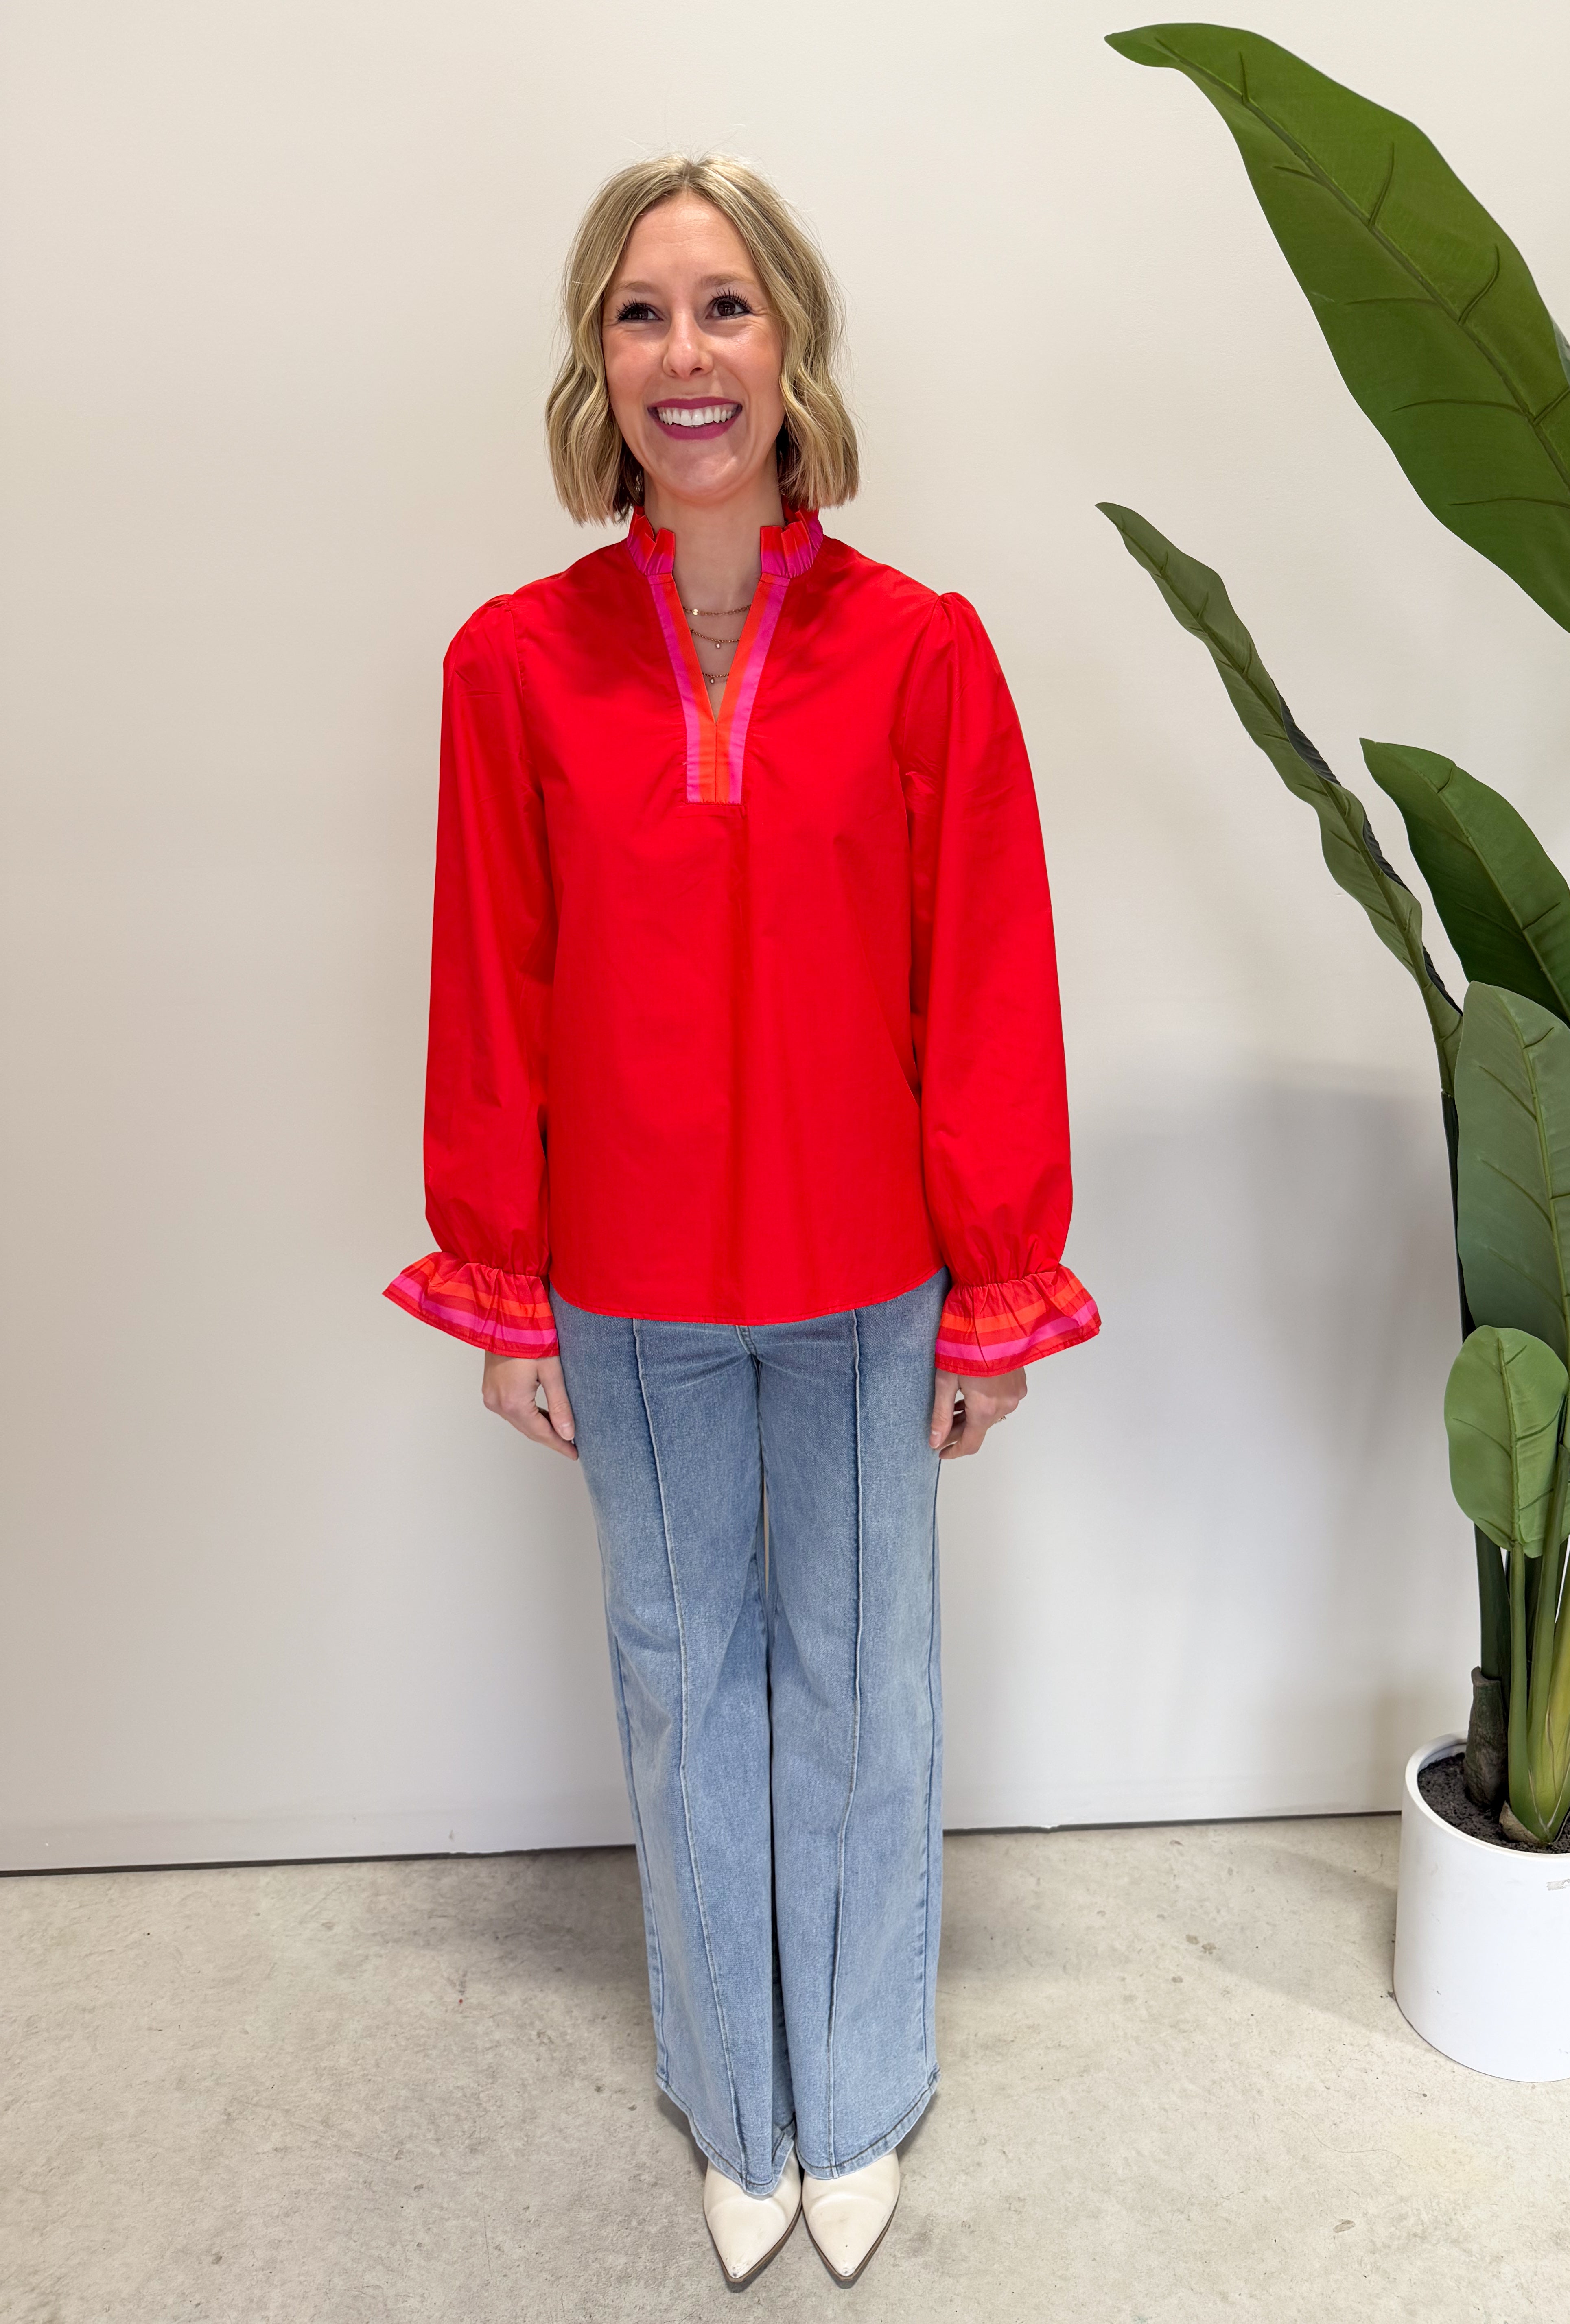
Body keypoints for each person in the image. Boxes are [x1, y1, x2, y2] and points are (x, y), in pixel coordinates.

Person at [385, 153, 1099, 2290]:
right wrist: (504, 1283)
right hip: (624, 1288)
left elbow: (985, 975)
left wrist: (995, 1286)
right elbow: (492, 981)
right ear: (594, 361)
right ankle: (734, 2095)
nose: (683, 356)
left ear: (791, 345)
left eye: (722, 309)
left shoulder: (923, 654)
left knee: (862, 1678)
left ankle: (857, 2092)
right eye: (641, 312)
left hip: (872, 1277)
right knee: (685, 1679)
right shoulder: (513, 667)